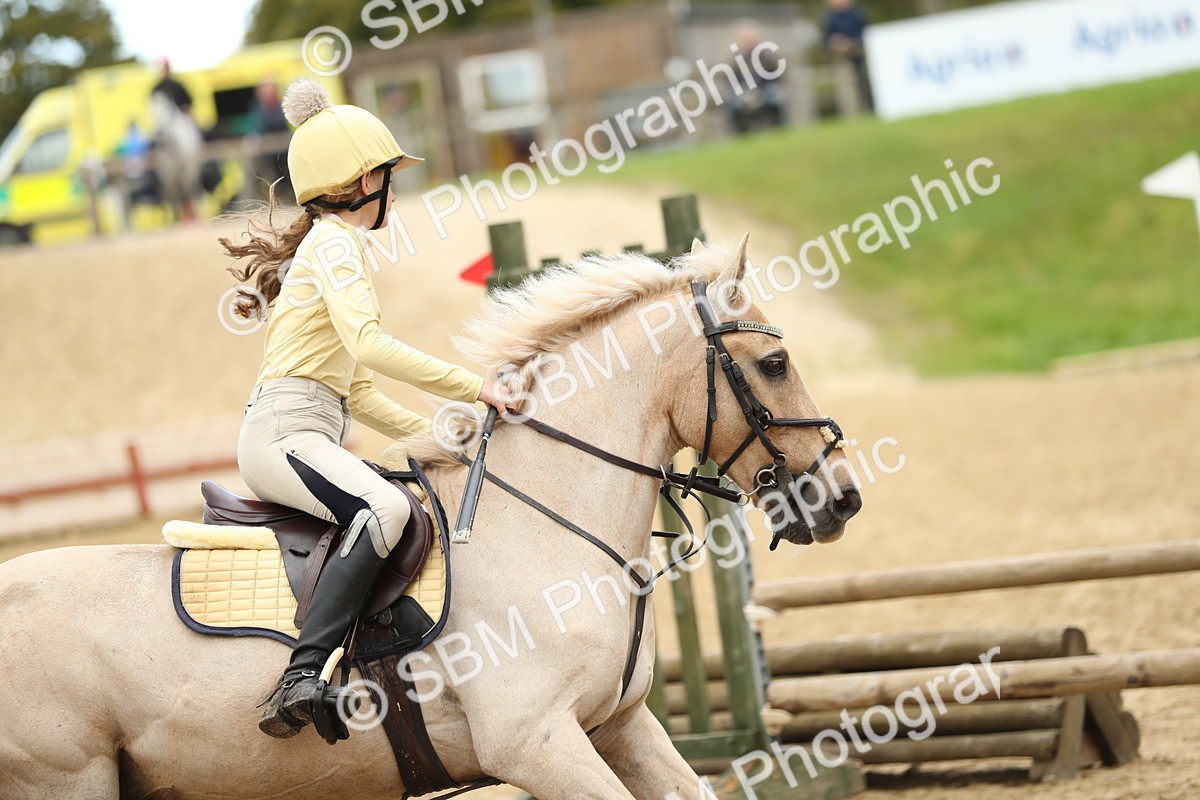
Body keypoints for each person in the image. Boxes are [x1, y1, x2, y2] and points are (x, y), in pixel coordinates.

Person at [220, 78, 511, 739]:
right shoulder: (335, 244)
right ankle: (302, 672)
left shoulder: (334, 246)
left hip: (311, 426)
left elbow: (358, 394)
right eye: (387, 176)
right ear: (360, 182)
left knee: (403, 490)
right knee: (382, 508)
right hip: (282, 434)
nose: (393, 190)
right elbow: (369, 345)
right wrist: (474, 389)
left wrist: (448, 435)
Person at [822, 0, 873, 112]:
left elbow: (869, 36)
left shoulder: (858, 15)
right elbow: (825, 40)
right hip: (842, 61)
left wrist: (851, 44)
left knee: (866, 85)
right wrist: (835, 43)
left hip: (862, 57)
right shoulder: (829, 18)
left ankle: (870, 108)